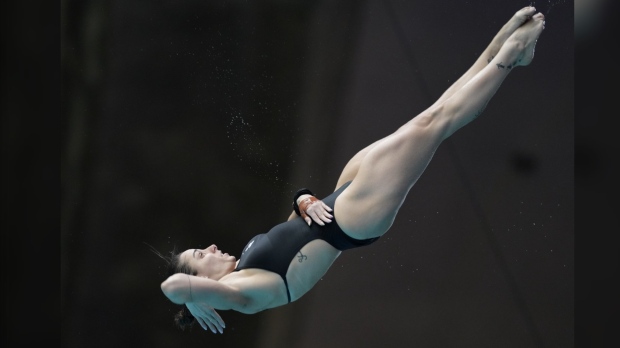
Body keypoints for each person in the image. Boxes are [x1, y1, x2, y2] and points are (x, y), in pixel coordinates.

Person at [156, 7, 546, 334]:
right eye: (199, 255)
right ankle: (509, 56)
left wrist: (301, 199)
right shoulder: (242, 295)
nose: (208, 247)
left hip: (339, 196)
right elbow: (171, 286)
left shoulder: (245, 260)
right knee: (436, 124)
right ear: (203, 282)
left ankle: (502, 49)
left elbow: (294, 229)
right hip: (353, 219)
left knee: (433, 116)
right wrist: (193, 296)